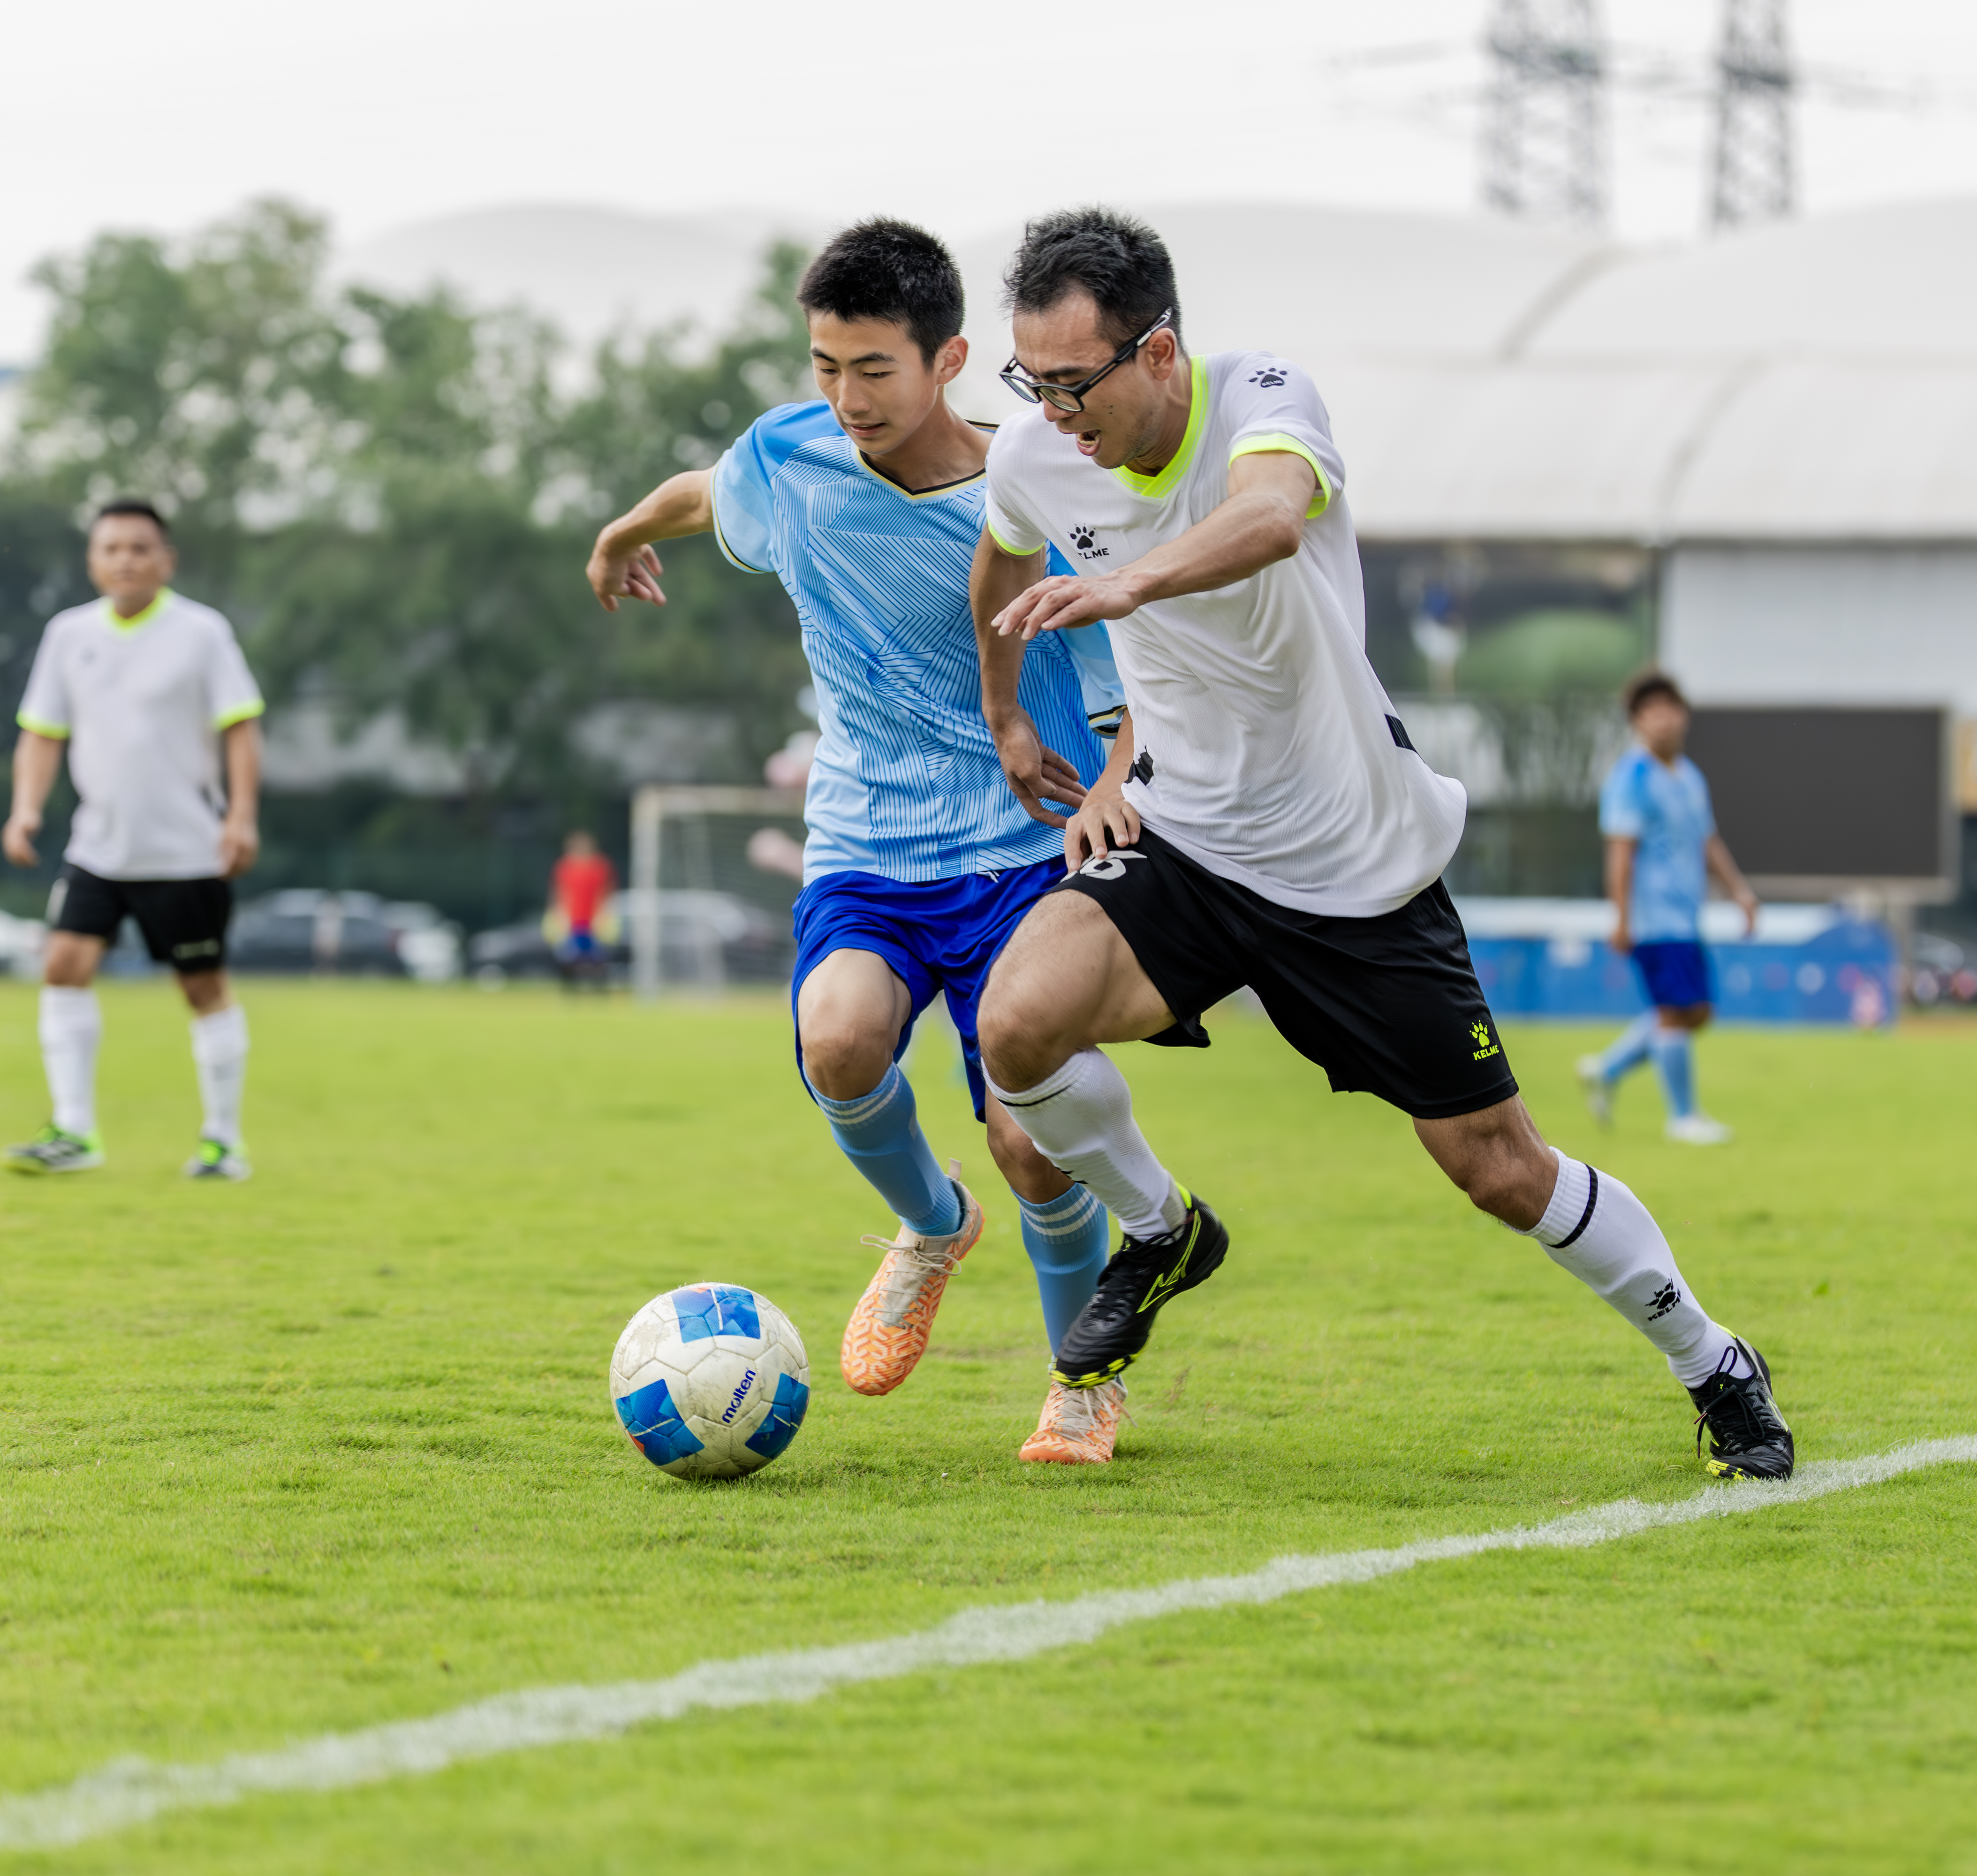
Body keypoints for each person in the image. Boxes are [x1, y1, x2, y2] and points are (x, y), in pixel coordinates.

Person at [969, 207, 1793, 1481]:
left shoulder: (1263, 396)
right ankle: (1161, 1231)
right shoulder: (1034, 453)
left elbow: (1269, 520)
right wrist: (1008, 709)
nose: (1054, 413)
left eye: (1075, 382)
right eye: (1032, 382)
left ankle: (1709, 1360)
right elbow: (1001, 562)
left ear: (1160, 354)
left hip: (1352, 867)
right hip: (1184, 835)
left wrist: (1128, 583)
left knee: (1496, 1168)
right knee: (1015, 1024)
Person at [586, 220, 1129, 1463]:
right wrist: (621, 535)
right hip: (865, 845)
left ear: (947, 362)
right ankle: (930, 1227)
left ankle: (1083, 1379)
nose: (842, 397)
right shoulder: (790, 457)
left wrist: (1108, 785)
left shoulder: (1029, 494)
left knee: (1026, 1136)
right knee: (834, 1045)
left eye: (871, 369)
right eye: (823, 364)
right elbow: (703, 494)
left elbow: (1117, 670)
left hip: (1020, 851)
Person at [4, 499, 263, 1180]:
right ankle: (75, 1131)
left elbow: (240, 727)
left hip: (185, 852)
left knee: (202, 987)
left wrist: (240, 817)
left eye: (140, 549)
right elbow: (41, 733)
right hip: (99, 848)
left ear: (166, 561)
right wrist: (26, 809)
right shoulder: (68, 635)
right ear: (92, 561)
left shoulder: (201, 633)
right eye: (112, 548)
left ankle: (223, 1141)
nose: (125, 560)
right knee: (62, 967)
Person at [1577, 672, 1757, 1144]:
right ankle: (1683, 1117)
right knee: (1677, 1011)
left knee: (1696, 1011)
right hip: (1654, 919)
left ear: (1684, 715)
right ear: (1638, 722)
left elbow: (1707, 840)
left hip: (1686, 914)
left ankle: (1607, 1067)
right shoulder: (1631, 777)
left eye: (1669, 708)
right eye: (1650, 711)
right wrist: (1620, 916)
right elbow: (1620, 852)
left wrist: (1739, 891)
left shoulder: (1690, 776)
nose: (1662, 719)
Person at [547, 830, 619, 989]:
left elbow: (606, 895)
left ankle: (599, 992)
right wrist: (562, 918)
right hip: (572, 923)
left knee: (597, 960)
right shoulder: (564, 867)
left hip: (593, 923)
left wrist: (602, 917)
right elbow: (560, 895)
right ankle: (570, 992)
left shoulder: (600, 867)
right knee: (568, 959)